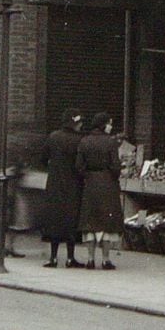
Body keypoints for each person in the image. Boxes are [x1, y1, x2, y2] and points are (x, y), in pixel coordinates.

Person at [77, 111, 125, 269]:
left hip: (90, 183)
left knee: (90, 222)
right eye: (110, 123)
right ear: (104, 124)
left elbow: (79, 166)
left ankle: (90, 259)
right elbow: (115, 166)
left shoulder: (84, 141)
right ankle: (105, 260)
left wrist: (88, 175)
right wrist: (113, 174)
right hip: (107, 183)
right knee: (107, 223)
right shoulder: (111, 143)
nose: (111, 127)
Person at [38, 109, 84, 267]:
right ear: (75, 123)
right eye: (79, 123)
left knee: (54, 219)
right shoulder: (80, 140)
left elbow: (43, 158)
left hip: (55, 183)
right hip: (73, 184)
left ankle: (53, 257)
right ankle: (70, 258)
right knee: (71, 220)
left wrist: (52, 167)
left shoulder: (53, 137)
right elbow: (81, 164)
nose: (81, 125)